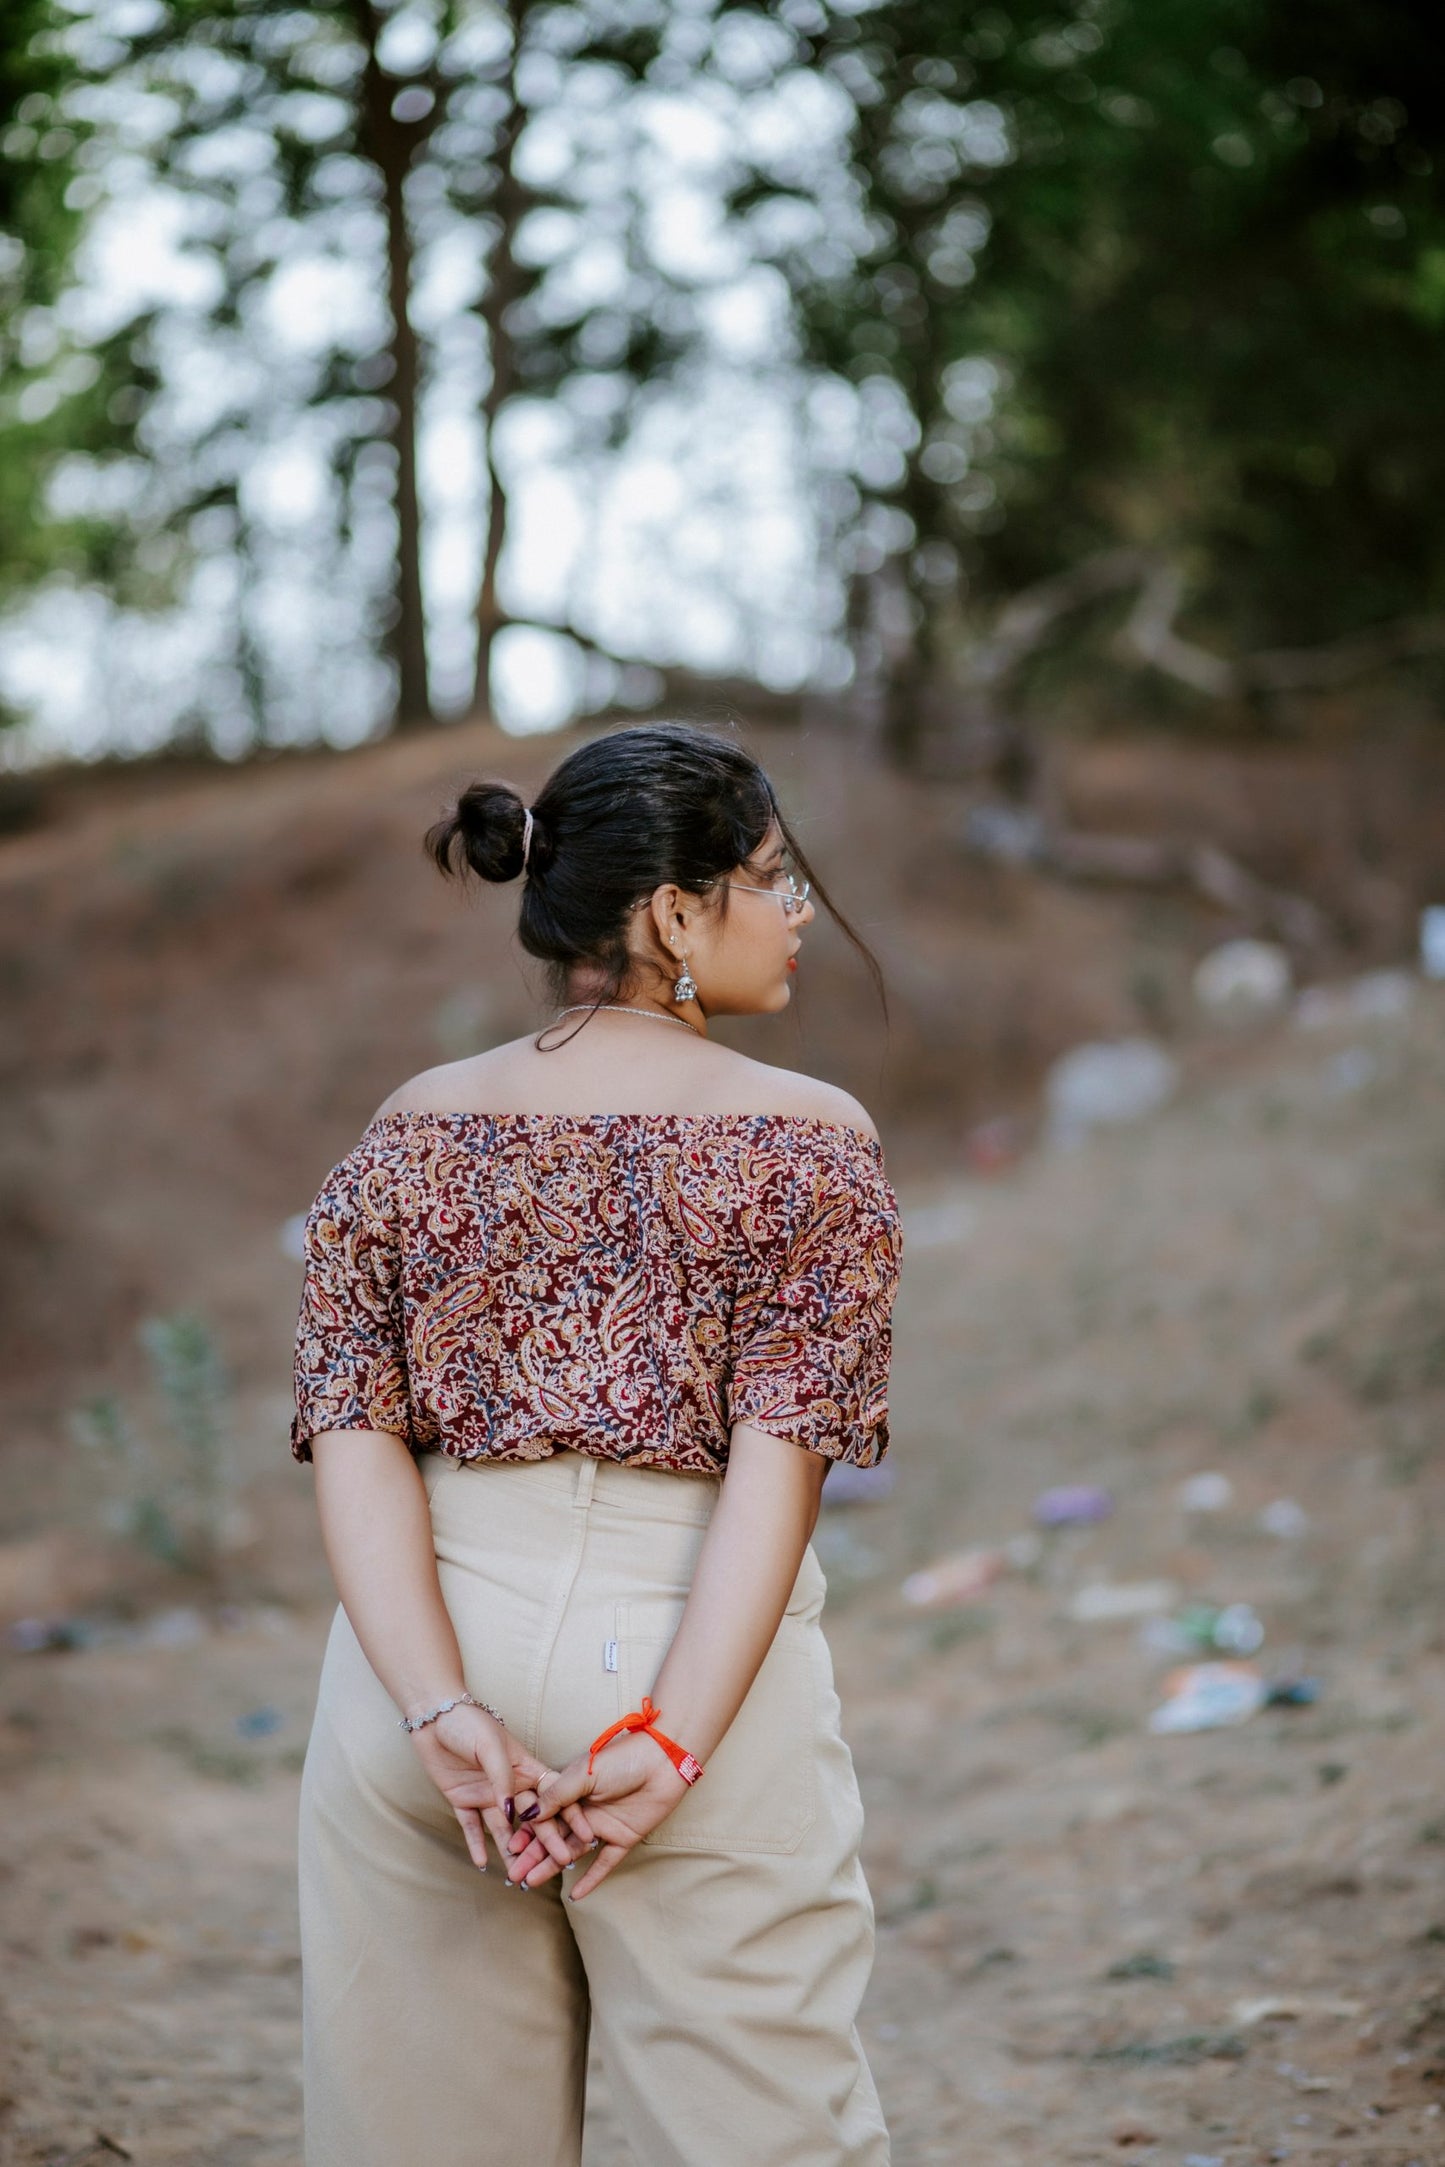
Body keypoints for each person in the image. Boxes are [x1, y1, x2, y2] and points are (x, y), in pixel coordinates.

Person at [290, 722, 904, 2167]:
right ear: (674, 913)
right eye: (769, 877)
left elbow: (354, 1435)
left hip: (417, 1658)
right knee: (762, 2135)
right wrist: (674, 1736)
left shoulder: (408, 1130)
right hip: (682, 1646)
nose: (797, 909)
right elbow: (782, 1467)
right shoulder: (808, 1141)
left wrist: (437, 1708)